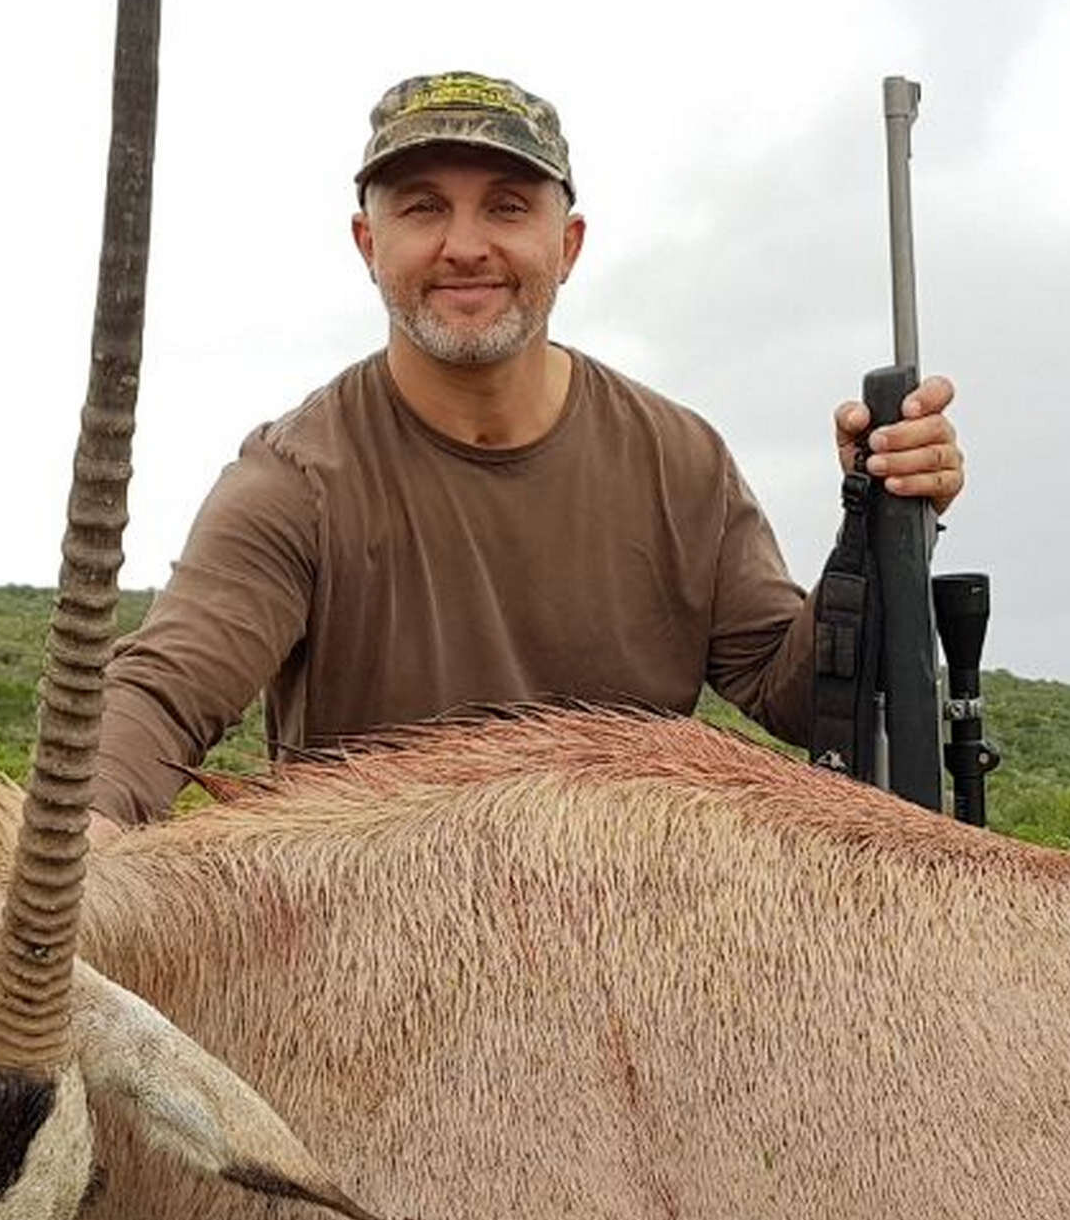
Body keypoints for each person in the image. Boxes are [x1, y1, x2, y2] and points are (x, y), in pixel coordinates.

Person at [90, 69, 965, 823]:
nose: (465, 247)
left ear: (567, 244)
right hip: (372, 961)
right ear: (369, 243)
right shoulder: (295, 478)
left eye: (507, 208)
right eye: (424, 208)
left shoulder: (682, 458)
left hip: (630, 944)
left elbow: (801, 700)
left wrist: (876, 524)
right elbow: (166, 693)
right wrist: (84, 832)